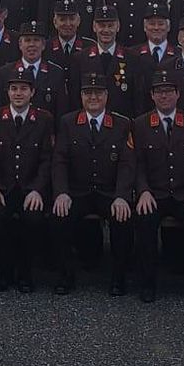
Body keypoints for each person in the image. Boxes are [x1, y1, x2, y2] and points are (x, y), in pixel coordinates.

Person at [51, 73, 135, 296]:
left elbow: (127, 164)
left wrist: (122, 196)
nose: (93, 97)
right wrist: (61, 192)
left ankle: (118, 277)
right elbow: (59, 160)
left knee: (123, 217)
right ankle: (65, 276)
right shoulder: (69, 122)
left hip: (108, 192)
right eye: (88, 93)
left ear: (107, 96)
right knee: (60, 216)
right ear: (81, 96)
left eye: (98, 93)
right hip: (78, 191)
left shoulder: (121, 123)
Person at [132, 71, 184, 303]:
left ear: (178, 94)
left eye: (168, 92)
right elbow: (136, 163)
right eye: (159, 92)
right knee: (144, 223)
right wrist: (143, 190)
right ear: (152, 96)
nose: (164, 96)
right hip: (155, 193)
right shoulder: (141, 123)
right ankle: (148, 282)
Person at [0, 70, 54, 293]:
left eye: (23, 89)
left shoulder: (44, 119)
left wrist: (37, 190)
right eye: (14, 89)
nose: (18, 93)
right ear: (7, 92)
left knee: (33, 220)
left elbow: (46, 159)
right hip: (3, 187)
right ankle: (4, 272)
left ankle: (25, 273)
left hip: (30, 187)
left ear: (32, 92)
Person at [69, 5, 137, 119]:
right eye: (101, 25)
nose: (106, 30)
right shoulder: (80, 59)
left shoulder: (132, 58)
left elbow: (136, 98)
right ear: (94, 27)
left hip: (121, 125)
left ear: (118, 26)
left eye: (110, 26)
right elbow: (75, 98)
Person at [0, 20, 68, 125]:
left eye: (36, 40)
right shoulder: (5, 72)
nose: (32, 45)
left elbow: (60, 111)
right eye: (27, 40)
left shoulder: (56, 73)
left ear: (43, 45)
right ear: (20, 44)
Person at [131, 2, 177, 114]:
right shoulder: (132, 54)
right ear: (145, 27)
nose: (156, 28)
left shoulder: (178, 54)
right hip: (141, 116)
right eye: (152, 24)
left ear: (168, 26)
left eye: (161, 24)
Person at [44, 0, 96, 87]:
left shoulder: (90, 47)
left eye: (72, 19)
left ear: (78, 21)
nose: (67, 24)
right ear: (55, 22)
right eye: (62, 19)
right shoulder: (45, 47)